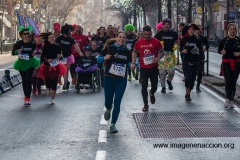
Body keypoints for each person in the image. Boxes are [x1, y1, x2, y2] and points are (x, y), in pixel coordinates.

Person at [97, 32, 131, 133]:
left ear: (125, 40)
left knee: (117, 102)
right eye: (120, 37)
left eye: (124, 38)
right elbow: (98, 59)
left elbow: (128, 62)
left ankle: (113, 125)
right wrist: (104, 58)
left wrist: (131, 65)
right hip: (109, 78)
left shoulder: (128, 51)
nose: (122, 39)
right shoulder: (109, 48)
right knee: (108, 102)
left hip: (121, 79)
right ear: (116, 38)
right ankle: (108, 109)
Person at [131, 25, 165, 111]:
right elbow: (134, 51)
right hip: (144, 68)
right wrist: (133, 60)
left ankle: (152, 93)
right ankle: (145, 104)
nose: (147, 36)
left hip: (153, 67)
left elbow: (162, 52)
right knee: (144, 86)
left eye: (149, 34)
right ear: (143, 33)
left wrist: (157, 58)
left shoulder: (156, 42)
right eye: (145, 34)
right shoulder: (139, 42)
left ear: (151, 33)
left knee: (154, 86)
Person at [12, 26, 40, 105]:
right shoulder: (19, 43)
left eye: (28, 33)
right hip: (21, 63)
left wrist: (34, 53)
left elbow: (35, 51)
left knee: (28, 79)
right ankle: (26, 96)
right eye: (25, 34)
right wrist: (17, 51)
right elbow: (13, 52)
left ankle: (28, 98)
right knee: (24, 80)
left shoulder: (32, 43)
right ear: (22, 35)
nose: (27, 35)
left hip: (30, 62)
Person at [39, 33, 67, 104]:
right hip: (47, 67)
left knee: (54, 83)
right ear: (48, 39)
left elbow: (62, 57)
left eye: (53, 37)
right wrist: (47, 60)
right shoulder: (45, 47)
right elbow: (42, 58)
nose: (52, 38)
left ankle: (52, 98)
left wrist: (60, 57)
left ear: (54, 38)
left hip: (56, 66)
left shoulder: (58, 47)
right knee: (48, 84)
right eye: (50, 37)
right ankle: (48, 87)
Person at [218, 23, 240, 109]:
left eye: (234, 29)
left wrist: (239, 53)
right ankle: (227, 98)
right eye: (231, 29)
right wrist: (221, 52)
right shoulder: (224, 40)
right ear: (228, 30)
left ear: (236, 30)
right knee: (228, 80)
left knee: (233, 81)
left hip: (236, 63)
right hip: (226, 62)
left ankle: (231, 99)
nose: (232, 31)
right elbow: (219, 50)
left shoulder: (238, 40)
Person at [154, 18, 178, 93]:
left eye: (168, 24)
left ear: (170, 25)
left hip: (170, 54)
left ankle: (169, 81)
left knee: (171, 71)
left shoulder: (174, 33)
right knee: (162, 72)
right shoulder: (159, 34)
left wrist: (176, 46)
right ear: (163, 25)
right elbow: (154, 43)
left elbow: (177, 42)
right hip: (161, 54)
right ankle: (163, 87)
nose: (167, 26)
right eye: (165, 24)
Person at [180, 24, 203, 101]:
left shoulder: (197, 39)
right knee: (188, 77)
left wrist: (198, 50)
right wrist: (183, 51)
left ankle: (189, 90)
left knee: (192, 80)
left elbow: (201, 50)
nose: (191, 31)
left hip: (195, 62)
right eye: (190, 29)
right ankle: (187, 94)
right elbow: (180, 49)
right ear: (187, 30)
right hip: (186, 61)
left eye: (193, 29)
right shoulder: (183, 39)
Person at [55, 23, 82, 90]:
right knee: (60, 71)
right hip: (60, 57)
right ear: (66, 30)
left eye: (71, 30)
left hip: (68, 57)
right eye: (69, 30)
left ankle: (65, 83)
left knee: (66, 71)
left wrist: (80, 52)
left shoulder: (71, 39)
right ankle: (64, 81)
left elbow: (76, 46)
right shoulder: (59, 38)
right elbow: (55, 46)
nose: (70, 32)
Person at [195, 25, 209, 93]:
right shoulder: (192, 38)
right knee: (193, 72)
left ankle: (198, 86)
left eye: (201, 29)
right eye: (198, 29)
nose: (199, 31)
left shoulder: (203, 38)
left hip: (201, 56)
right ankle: (191, 84)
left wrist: (205, 48)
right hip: (192, 57)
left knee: (200, 72)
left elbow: (207, 45)